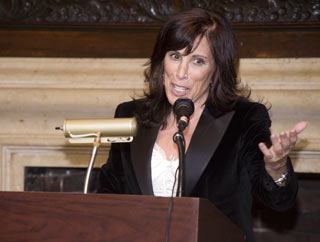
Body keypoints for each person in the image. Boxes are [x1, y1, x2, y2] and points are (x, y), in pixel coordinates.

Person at [97, 8, 307, 242]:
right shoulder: (130, 114)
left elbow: (278, 201)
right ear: (161, 59)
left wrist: (276, 168)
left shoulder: (243, 118)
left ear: (216, 69)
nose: (180, 73)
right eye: (175, 56)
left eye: (197, 61)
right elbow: (109, 193)